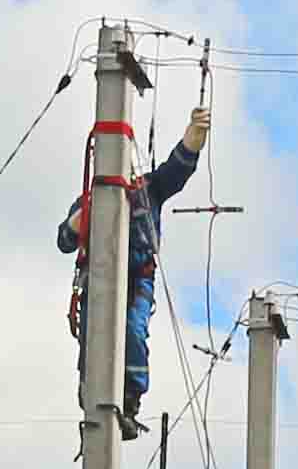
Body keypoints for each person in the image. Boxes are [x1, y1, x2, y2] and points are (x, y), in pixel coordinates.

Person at [58, 99, 210, 440]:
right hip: (98, 280)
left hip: (137, 278)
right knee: (94, 338)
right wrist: (82, 218)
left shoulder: (147, 189)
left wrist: (194, 135)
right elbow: (64, 240)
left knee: (132, 329)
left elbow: (177, 169)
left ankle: (130, 400)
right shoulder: (88, 201)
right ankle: (91, 394)